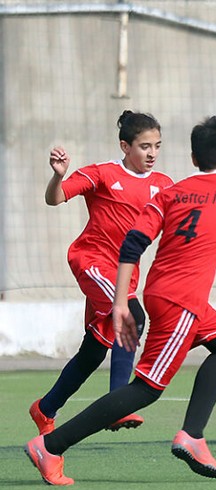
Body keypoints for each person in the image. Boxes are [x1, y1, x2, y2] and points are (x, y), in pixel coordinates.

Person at [24, 116, 216, 485]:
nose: (151, 153)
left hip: (158, 291)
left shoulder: (170, 191)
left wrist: (121, 301)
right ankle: (51, 446)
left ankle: (192, 435)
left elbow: (133, 244)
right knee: (146, 389)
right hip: (181, 300)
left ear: (193, 158)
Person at [30, 111, 174, 436]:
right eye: (144, 146)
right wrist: (58, 175)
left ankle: (45, 407)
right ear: (125, 145)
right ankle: (117, 404)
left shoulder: (163, 185)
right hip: (92, 261)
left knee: (94, 352)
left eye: (157, 146)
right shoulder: (103, 174)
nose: (151, 153)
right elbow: (55, 198)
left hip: (125, 276)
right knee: (132, 317)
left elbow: (183, 217)